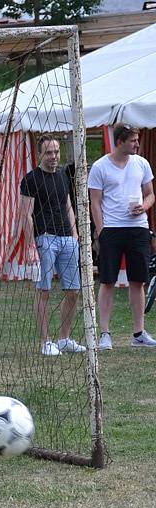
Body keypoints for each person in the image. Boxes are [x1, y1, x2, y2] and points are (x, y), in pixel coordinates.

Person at [15, 135, 86, 357]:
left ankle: (63, 339)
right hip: (45, 239)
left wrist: (74, 235)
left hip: (67, 239)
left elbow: (68, 207)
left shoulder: (63, 177)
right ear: (40, 154)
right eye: (49, 153)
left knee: (73, 291)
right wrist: (30, 247)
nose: (54, 156)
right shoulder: (30, 179)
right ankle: (46, 342)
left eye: (56, 152)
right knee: (43, 290)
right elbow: (25, 214)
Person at [89, 123, 156, 350]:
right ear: (120, 142)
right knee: (107, 281)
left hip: (138, 229)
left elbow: (150, 194)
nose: (137, 144)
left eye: (137, 140)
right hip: (112, 230)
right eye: (133, 140)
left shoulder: (141, 164)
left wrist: (143, 207)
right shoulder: (99, 167)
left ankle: (138, 334)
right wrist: (102, 232)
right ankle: (105, 334)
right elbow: (95, 203)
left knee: (138, 281)